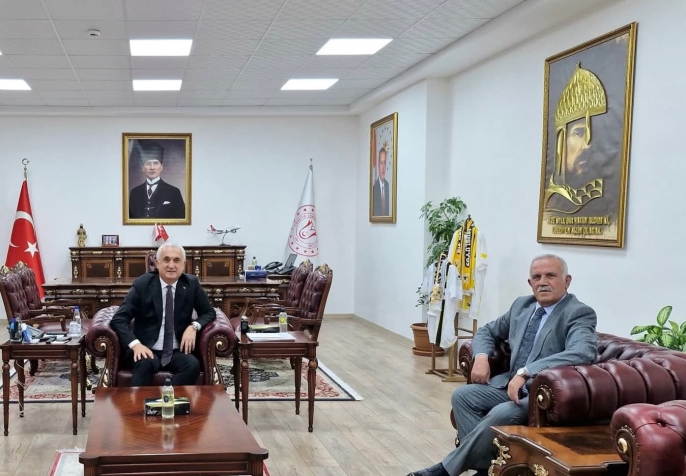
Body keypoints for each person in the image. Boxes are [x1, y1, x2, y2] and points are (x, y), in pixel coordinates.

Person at [408, 254, 598, 476]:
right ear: (530, 283)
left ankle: (445, 470)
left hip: (540, 396)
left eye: (551, 275)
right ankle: (485, 470)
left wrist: (526, 372)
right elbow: (487, 331)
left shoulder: (578, 313)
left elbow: (582, 352)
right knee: (463, 396)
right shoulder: (522, 306)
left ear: (567, 281)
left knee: (503, 412)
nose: (543, 282)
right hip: (507, 385)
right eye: (537, 277)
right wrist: (481, 357)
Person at [110, 243, 216, 386]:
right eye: (166, 260)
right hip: (146, 348)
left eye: (176, 260)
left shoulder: (191, 284)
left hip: (177, 350)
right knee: (144, 363)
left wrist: (194, 326)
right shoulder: (142, 284)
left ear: (183, 265)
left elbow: (209, 312)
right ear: (157, 263)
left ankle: (172, 399)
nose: (171, 265)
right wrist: (136, 345)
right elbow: (119, 319)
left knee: (192, 365)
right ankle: (142, 401)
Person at [129, 140, 186, 219]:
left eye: (155, 163)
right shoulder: (134, 193)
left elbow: (181, 220)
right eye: (148, 163)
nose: (152, 168)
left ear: (161, 167)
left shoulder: (174, 192)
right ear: (143, 168)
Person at [372, 147, 390, 216]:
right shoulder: (374, 188)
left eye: (384, 163)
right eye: (381, 163)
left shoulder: (387, 185)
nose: (383, 168)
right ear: (378, 165)